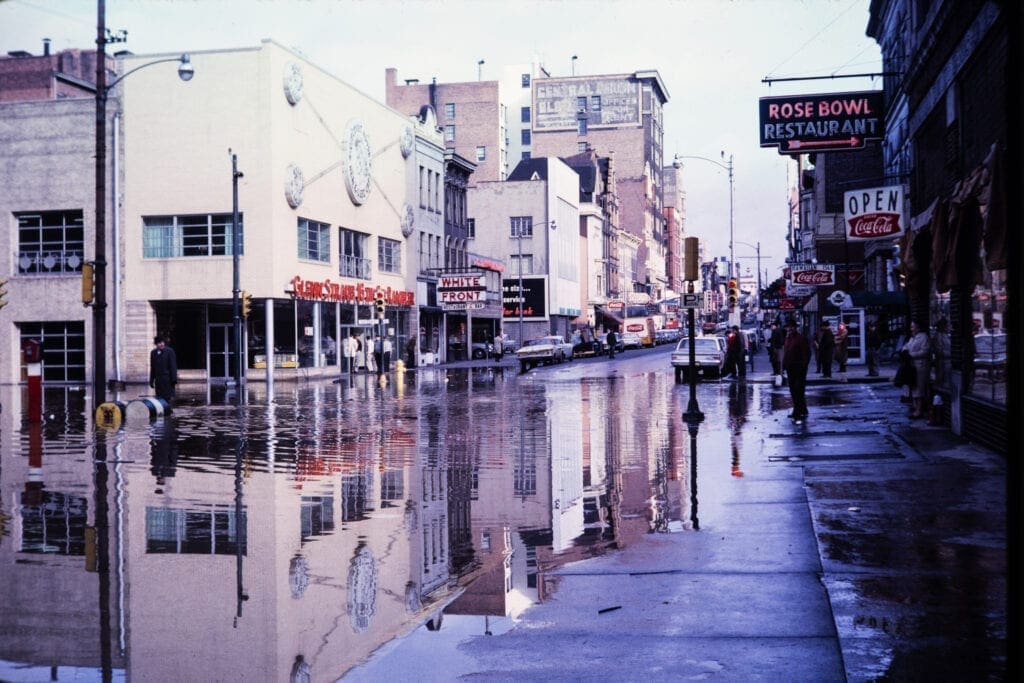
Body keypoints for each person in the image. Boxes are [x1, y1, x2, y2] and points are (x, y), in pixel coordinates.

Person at [782, 319, 811, 420]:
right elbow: (786, 353)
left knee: (798, 390)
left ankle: (797, 410)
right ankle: (802, 409)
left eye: (791, 327)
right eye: (788, 327)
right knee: (793, 389)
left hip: (799, 367)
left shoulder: (800, 338)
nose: (789, 329)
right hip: (790, 367)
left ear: (795, 328)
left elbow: (806, 353)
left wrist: (804, 365)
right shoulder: (788, 338)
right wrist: (783, 366)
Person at [904, 320, 931, 418]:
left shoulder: (923, 337)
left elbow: (925, 351)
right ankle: (915, 408)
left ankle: (919, 410)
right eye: (911, 327)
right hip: (912, 366)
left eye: (913, 327)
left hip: (920, 366)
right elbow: (906, 346)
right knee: (913, 387)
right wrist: (904, 351)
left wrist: (911, 355)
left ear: (918, 328)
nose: (911, 329)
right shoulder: (912, 338)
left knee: (919, 388)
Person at [149, 335, 178, 402]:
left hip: (168, 380)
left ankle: (169, 410)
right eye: (159, 343)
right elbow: (153, 367)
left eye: (162, 342)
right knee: (159, 399)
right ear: (156, 344)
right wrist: (151, 380)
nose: (161, 344)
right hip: (158, 380)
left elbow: (173, 366)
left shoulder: (169, 351)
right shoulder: (153, 353)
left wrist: (174, 379)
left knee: (168, 398)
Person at [932, 318, 951, 388]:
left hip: (946, 361)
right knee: (942, 379)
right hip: (943, 362)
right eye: (946, 326)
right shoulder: (939, 336)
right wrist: (950, 354)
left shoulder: (945, 335)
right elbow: (940, 350)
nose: (948, 327)